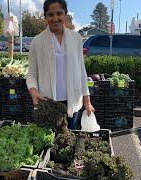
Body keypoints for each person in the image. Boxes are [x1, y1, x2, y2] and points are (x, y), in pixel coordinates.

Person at [26, 0, 95, 130]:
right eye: (50, 14)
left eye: (59, 13)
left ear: (65, 14)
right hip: (48, 103)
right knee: (49, 141)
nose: (55, 18)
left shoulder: (76, 38)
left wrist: (87, 101)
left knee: (69, 139)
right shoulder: (37, 42)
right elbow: (31, 74)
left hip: (72, 101)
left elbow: (81, 71)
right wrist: (33, 92)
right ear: (45, 16)